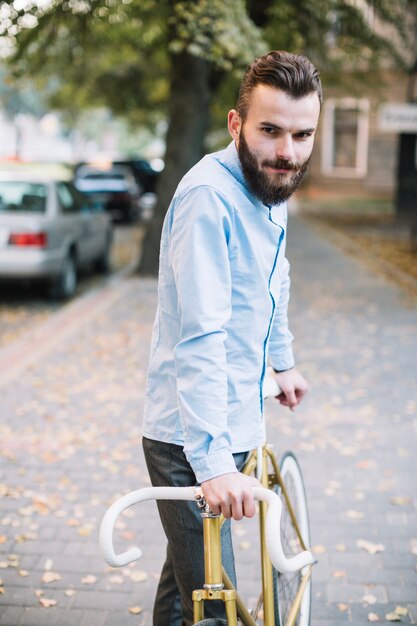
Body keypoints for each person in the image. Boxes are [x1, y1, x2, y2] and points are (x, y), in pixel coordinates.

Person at [142, 50, 323, 625]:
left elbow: (274, 279)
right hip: (191, 439)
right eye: (270, 130)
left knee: (184, 587)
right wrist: (215, 465)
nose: (287, 151)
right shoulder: (208, 199)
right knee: (215, 606)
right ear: (236, 123)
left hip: (241, 412)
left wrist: (284, 360)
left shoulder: (270, 184)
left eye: (302, 134)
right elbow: (200, 339)